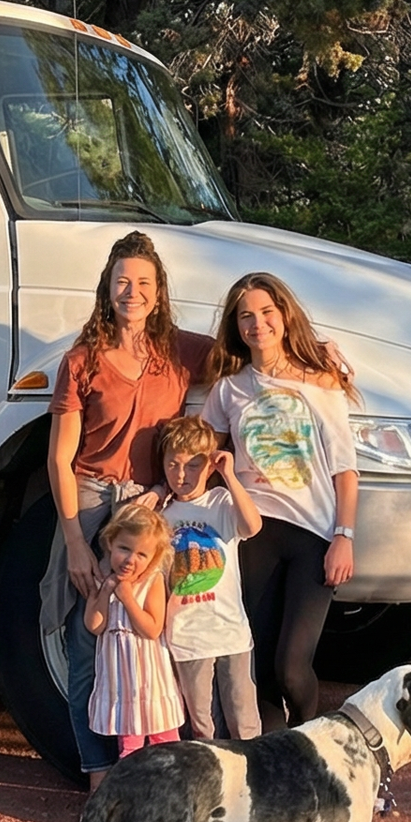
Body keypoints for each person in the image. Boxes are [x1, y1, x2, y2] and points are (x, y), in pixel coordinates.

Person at [42, 233, 213, 786]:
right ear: (107, 290)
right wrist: (73, 541)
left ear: (159, 293)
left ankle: (158, 774)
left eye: (143, 283)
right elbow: (60, 457)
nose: (132, 292)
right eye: (122, 282)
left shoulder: (179, 352)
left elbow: (253, 350)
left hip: (148, 505)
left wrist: (321, 358)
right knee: (86, 639)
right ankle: (99, 778)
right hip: (92, 502)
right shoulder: (82, 360)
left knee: (157, 638)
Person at [202, 273, 359, 731]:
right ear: (236, 325)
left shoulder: (321, 382)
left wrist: (343, 537)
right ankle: (272, 766)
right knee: (262, 667)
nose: (258, 324)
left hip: (313, 535)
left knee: (292, 666)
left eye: (267, 312)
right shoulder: (229, 390)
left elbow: (345, 471)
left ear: (284, 316)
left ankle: (311, 732)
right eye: (246, 316)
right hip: (254, 533)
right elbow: (203, 453)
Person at [156, 413, 263, 742]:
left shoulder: (220, 502)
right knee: (203, 726)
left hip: (231, 633)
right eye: (173, 464)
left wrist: (228, 474)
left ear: (208, 466)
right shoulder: (162, 515)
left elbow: (252, 526)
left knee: (244, 722)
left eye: (192, 465)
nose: (181, 475)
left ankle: (255, 786)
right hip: (187, 638)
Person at [83, 505, 183, 761]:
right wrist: (105, 592)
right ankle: (133, 792)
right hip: (122, 684)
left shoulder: (152, 582)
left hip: (150, 680)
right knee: (129, 748)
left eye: (141, 554)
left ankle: (168, 791)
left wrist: (127, 599)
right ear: (110, 543)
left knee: (165, 743)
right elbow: (94, 625)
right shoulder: (104, 581)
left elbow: (151, 629)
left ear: (153, 558)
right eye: (124, 549)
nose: (130, 560)